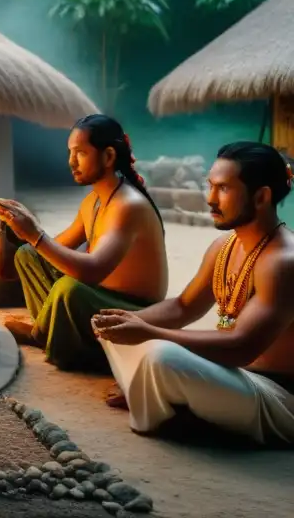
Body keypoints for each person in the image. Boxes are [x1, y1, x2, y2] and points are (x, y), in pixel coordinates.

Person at [93, 142, 294, 444]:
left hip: (276, 396)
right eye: (209, 186)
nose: (210, 199)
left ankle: (167, 405)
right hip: (231, 375)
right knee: (112, 329)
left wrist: (149, 332)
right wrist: (130, 320)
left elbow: (242, 346)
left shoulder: (283, 262)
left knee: (161, 355)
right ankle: (164, 397)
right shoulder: (224, 247)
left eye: (223, 189)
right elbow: (182, 307)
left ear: (261, 196)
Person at [0, 114, 168, 371]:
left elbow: (92, 270)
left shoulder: (129, 206)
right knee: (29, 255)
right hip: (98, 299)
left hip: (135, 313)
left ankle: (52, 340)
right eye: (70, 153)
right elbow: (49, 251)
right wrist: (13, 231)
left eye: (80, 153)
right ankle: (51, 334)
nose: (71, 162)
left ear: (108, 157)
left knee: (69, 288)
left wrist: (36, 233)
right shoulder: (92, 202)